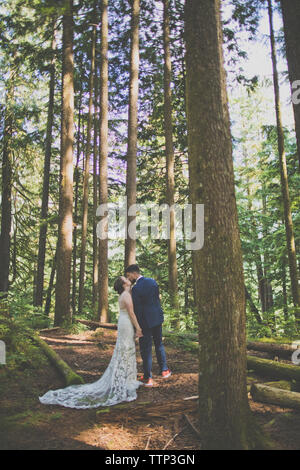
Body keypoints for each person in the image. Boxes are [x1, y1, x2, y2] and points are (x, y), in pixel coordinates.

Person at [39, 276, 143, 409]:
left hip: (123, 323)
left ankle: (127, 379)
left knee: (125, 349)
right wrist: (138, 328)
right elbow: (132, 313)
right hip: (126, 323)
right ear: (123, 284)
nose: (128, 279)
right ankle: (125, 380)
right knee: (126, 349)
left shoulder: (125, 294)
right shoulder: (126, 295)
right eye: (125, 279)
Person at [125, 264, 171, 387]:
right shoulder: (152, 282)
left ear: (134, 273)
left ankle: (148, 377)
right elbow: (157, 300)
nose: (129, 278)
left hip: (145, 322)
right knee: (159, 344)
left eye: (129, 276)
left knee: (146, 349)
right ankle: (164, 370)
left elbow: (137, 309)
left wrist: (137, 327)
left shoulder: (136, 289)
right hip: (157, 318)